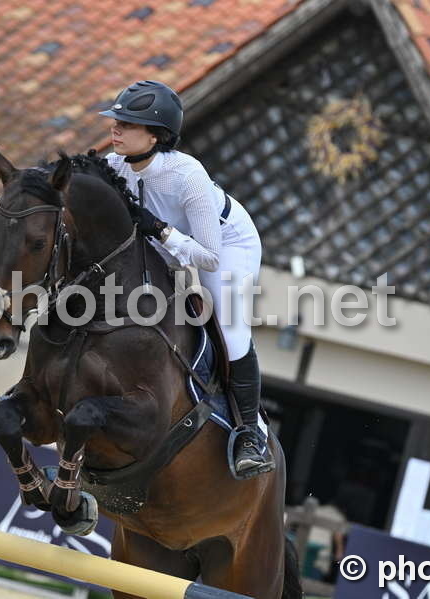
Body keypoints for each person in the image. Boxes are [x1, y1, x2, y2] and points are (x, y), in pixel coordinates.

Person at [98, 80, 273, 478]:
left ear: (156, 136)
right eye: (116, 121)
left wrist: (160, 230)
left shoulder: (186, 174)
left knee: (230, 327)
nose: (115, 128)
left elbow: (208, 257)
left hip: (226, 243)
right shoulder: (114, 166)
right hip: (166, 240)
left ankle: (251, 435)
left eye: (127, 124)